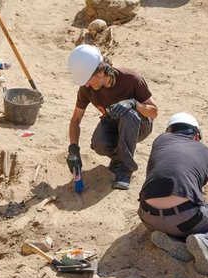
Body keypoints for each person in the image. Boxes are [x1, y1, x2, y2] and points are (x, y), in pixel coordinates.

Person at [137, 112, 208, 277]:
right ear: (196, 135)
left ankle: (175, 241)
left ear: (169, 132)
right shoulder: (204, 151)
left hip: (147, 217)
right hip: (185, 219)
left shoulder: (159, 141)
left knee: (181, 215)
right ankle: (206, 243)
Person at [66, 44, 158, 190]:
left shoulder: (131, 79)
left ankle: (125, 169)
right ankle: (118, 160)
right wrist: (73, 149)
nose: (87, 85)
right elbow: (76, 119)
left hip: (140, 124)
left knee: (128, 114)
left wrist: (133, 104)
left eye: (88, 80)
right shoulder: (86, 89)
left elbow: (153, 112)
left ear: (101, 72)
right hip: (113, 122)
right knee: (99, 144)